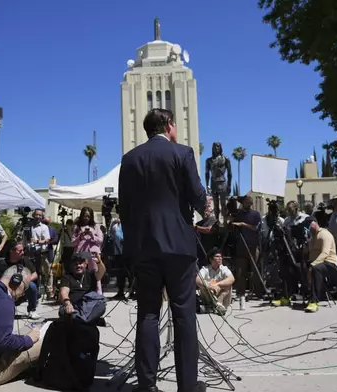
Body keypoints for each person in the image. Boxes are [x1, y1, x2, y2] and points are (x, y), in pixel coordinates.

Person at [118, 108, 207, 392]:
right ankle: (187, 386)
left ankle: (147, 385)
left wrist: (132, 246)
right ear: (169, 125)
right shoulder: (182, 154)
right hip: (179, 246)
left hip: (144, 248)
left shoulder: (129, 159)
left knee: (148, 313)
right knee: (183, 315)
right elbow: (197, 197)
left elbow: (125, 209)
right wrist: (205, 207)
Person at [0, 242, 40, 319]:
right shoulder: (1, 264)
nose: (22, 252)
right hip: (8, 289)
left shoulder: (25, 260)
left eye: (23, 250)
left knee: (32, 286)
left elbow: (35, 274)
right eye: (20, 251)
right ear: (11, 251)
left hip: (23, 286)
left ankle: (32, 310)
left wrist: (23, 283)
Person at [58, 252, 107, 324]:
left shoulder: (90, 274)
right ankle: (92, 321)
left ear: (85, 264)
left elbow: (101, 272)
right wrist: (67, 303)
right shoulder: (67, 277)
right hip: (74, 306)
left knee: (101, 306)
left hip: (89, 305)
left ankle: (82, 321)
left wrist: (99, 262)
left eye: (81, 263)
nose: (78, 266)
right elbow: (64, 292)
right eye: (76, 264)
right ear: (71, 265)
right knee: (63, 311)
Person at [231, 196, 263, 306]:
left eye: (250, 202)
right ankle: (241, 293)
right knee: (240, 272)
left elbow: (256, 228)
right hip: (240, 247)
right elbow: (231, 225)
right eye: (247, 202)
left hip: (253, 246)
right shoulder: (238, 214)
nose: (249, 203)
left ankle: (257, 292)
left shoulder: (255, 214)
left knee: (255, 270)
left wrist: (243, 224)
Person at [305, 218, 337, 313]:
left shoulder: (325, 234)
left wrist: (312, 265)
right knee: (299, 266)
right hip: (318, 262)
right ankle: (307, 293)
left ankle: (314, 300)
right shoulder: (312, 237)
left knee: (315, 269)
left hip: (330, 263)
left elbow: (325, 253)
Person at [71, 207, 104, 295]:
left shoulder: (96, 226)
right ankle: (83, 291)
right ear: (81, 216)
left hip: (93, 252)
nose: (86, 218)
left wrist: (92, 235)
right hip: (81, 252)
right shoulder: (77, 227)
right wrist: (80, 236)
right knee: (82, 271)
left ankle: (98, 292)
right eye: (85, 216)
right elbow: (73, 243)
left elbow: (100, 241)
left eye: (89, 216)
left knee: (95, 272)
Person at [195, 248, 234, 315]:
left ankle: (215, 306)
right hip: (209, 297)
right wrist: (209, 286)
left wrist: (217, 285)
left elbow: (232, 279)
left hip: (221, 297)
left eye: (221, 256)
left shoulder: (224, 269)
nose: (220, 258)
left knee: (228, 285)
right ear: (211, 259)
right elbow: (197, 280)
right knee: (203, 284)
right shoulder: (205, 269)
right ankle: (215, 307)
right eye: (217, 256)